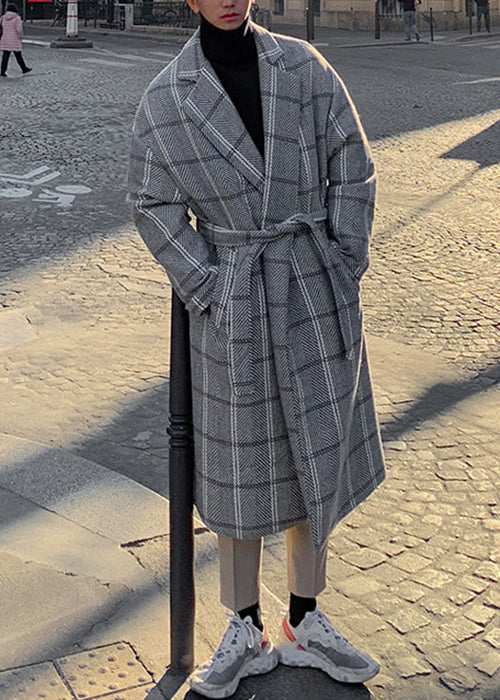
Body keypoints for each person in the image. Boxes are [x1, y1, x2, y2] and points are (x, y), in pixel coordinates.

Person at [128, 0, 386, 696]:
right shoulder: (167, 97)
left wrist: (343, 261)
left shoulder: (303, 66)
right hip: (236, 299)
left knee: (315, 456)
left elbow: (352, 163)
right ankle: (243, 624)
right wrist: (210, 285)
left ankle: (305, 616)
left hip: (310, 286)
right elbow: (151, 202)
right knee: (239, 466)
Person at [0, 3, 31, 77]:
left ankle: (2, 71)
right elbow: (19, 30)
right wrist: (20, 37)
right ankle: (24, 68)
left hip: (5, 39)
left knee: (5, 56)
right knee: (18, 55)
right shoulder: (17, 18)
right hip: (14, 39)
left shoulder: (3, 18)